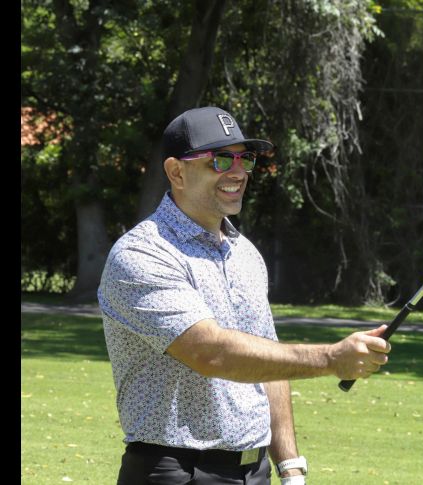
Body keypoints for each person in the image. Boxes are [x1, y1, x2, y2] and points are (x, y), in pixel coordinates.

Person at [98, 106, 391, 485]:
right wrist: (331, 358)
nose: (237, 172)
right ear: (176, 172)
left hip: (255, 471)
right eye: (220, 160)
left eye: (244, 158)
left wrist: (290, 467)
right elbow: (212, 353)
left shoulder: (244, 252)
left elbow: (267, 359)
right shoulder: (142, 254)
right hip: (177, 471)